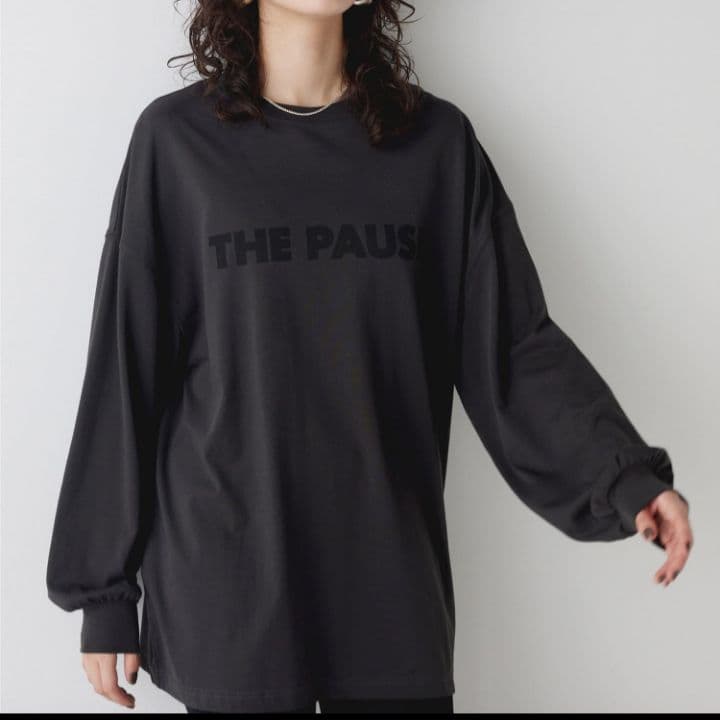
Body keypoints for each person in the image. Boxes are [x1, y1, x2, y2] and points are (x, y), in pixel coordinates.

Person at [45, 0, 694, 714]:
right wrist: (103, 592)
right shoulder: (176, 141)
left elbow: (511, 345)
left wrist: (622, 476)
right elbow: (126, 367)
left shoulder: (435, 144)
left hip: (389, 581)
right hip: (228, 583)